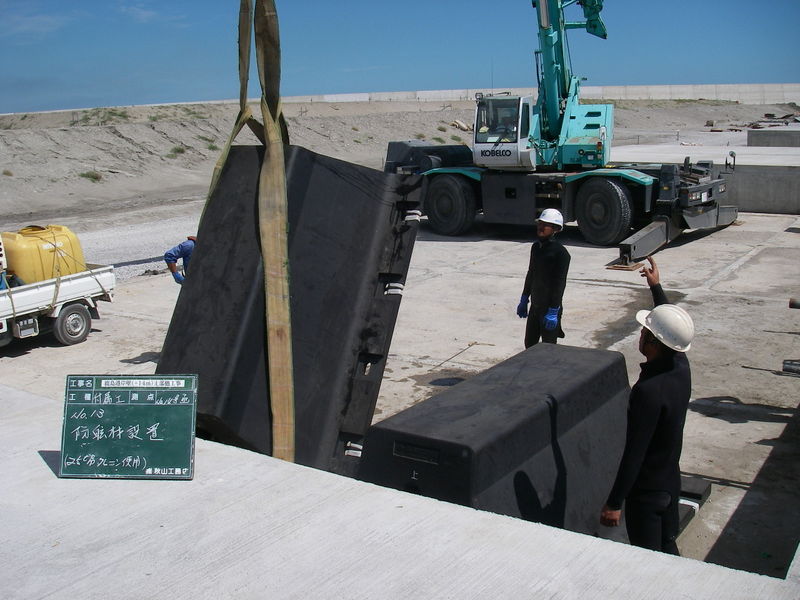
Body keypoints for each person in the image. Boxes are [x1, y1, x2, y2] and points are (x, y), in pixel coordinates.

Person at [600, 256, 694, 555]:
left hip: (647, 495)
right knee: (668, 547)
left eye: (644, 332)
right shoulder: (681, 367)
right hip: (670, 484)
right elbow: (673, 331)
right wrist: (657, 288)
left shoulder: (649, 391)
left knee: (649, 560)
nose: (639, 335)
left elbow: (635, 452)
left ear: (652, 343)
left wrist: (615, 502)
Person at [516, 208, 571, 348]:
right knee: (529, 344)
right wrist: (524, 298)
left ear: (555, 229)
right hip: (535, 306)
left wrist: (554, 310)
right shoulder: (536, 248)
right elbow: (531, 273)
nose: (541, 227)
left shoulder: (561, 254)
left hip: (549, 309)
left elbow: (559, 284)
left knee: (548, 348)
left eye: (545, 225)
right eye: (540, 223)